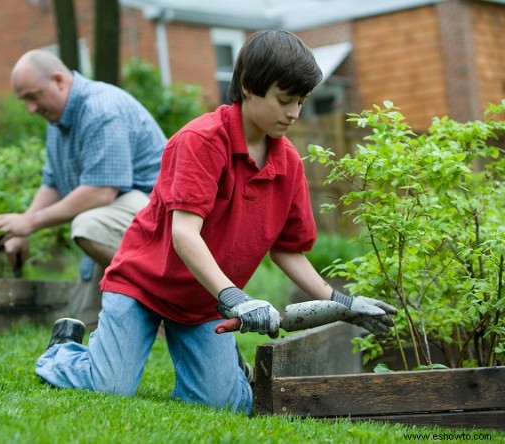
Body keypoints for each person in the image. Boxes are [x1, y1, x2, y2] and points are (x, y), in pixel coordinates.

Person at [35, 30, 397, 414]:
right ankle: (64, 350)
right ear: (247, 87)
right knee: (109, 387)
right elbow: (184, 234)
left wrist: (345, 303)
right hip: (142, 286)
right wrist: (237, 298)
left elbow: (288, 252)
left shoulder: (288, 163)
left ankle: (226, 371)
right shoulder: (201, 141)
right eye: (284, 100)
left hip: (205, 301)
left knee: (223, 404)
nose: (294, 113)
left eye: (301, 102)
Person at [0, 50, 167, 328]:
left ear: (59, 80)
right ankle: (138, 307)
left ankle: (164, 300)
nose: (30, 109)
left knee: (88, 226)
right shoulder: (58, 122)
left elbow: (101, 192)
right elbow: (53, 182)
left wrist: (31, 222)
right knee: (80, 321)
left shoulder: (100, 109)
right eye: (24, 101)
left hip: (161, 220)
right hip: (120, 221)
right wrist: (20, 230)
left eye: (33, 96)